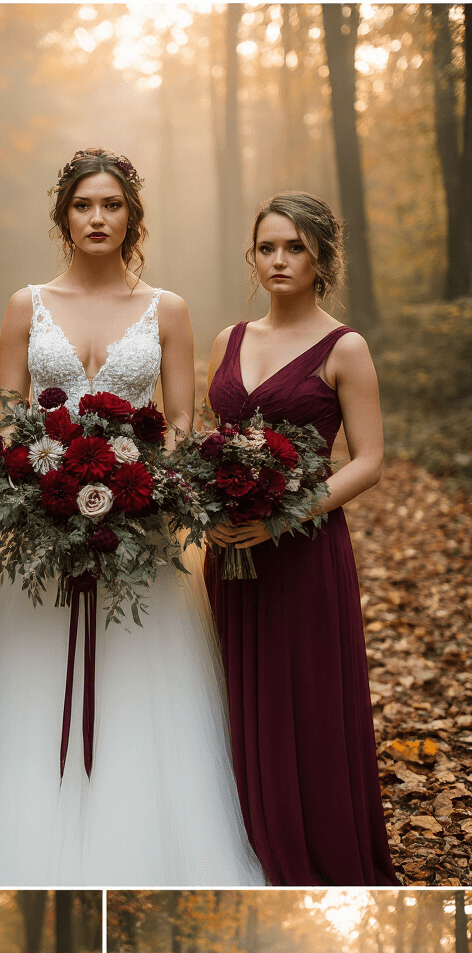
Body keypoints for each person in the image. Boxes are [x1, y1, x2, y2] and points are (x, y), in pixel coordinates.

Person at [0, 148, 263, 888]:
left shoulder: (168, 310)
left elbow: (180, 424)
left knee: (139, 695)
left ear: (131, 217)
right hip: (42, 534)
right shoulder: (26, 305)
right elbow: (9, 417)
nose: (97, 217)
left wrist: (142, 489)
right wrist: (32, 488)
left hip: (139, 537)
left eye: (111, 205)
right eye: (84, 205)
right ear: (64, 218)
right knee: (31, 686)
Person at [205, 191, 398, 886]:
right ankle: (250, 839)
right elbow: (213, 445)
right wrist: (211, 508)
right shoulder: (229, 340)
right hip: (230, 550)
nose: (279, 260)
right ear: (252, 257)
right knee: (235, 698)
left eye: (294, 248)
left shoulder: (345, 346)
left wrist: (285, 517)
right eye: (267, 247)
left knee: (306, 704)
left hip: (303, 551)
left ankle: (314, 843)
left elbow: (369, 460)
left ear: (321, 258)